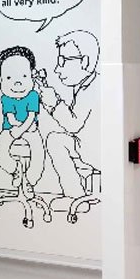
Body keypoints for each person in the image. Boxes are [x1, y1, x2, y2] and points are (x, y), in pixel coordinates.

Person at [36, 31, 99, 210]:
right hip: (92, 142)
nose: (57, 69)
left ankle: (75, 196)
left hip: (94, 146)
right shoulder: (86, 84)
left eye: (64, 61)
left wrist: (53, 102)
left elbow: (73, 125)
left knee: (55, 141)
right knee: (57, 138)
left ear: (85, 62)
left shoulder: (90, 89)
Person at [0, 46, 45, 191]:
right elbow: (10, 118)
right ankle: (15, 171)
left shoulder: (33, 95)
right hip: (10, 129)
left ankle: (31, 181)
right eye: (9, 78)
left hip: (30, 129)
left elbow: (31, 116)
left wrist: (21, 130)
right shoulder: (6, 98)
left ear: (32, 75)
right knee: (0, 150)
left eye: (24, 76)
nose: (18, 83)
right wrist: (16, 130)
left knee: (38, 153)